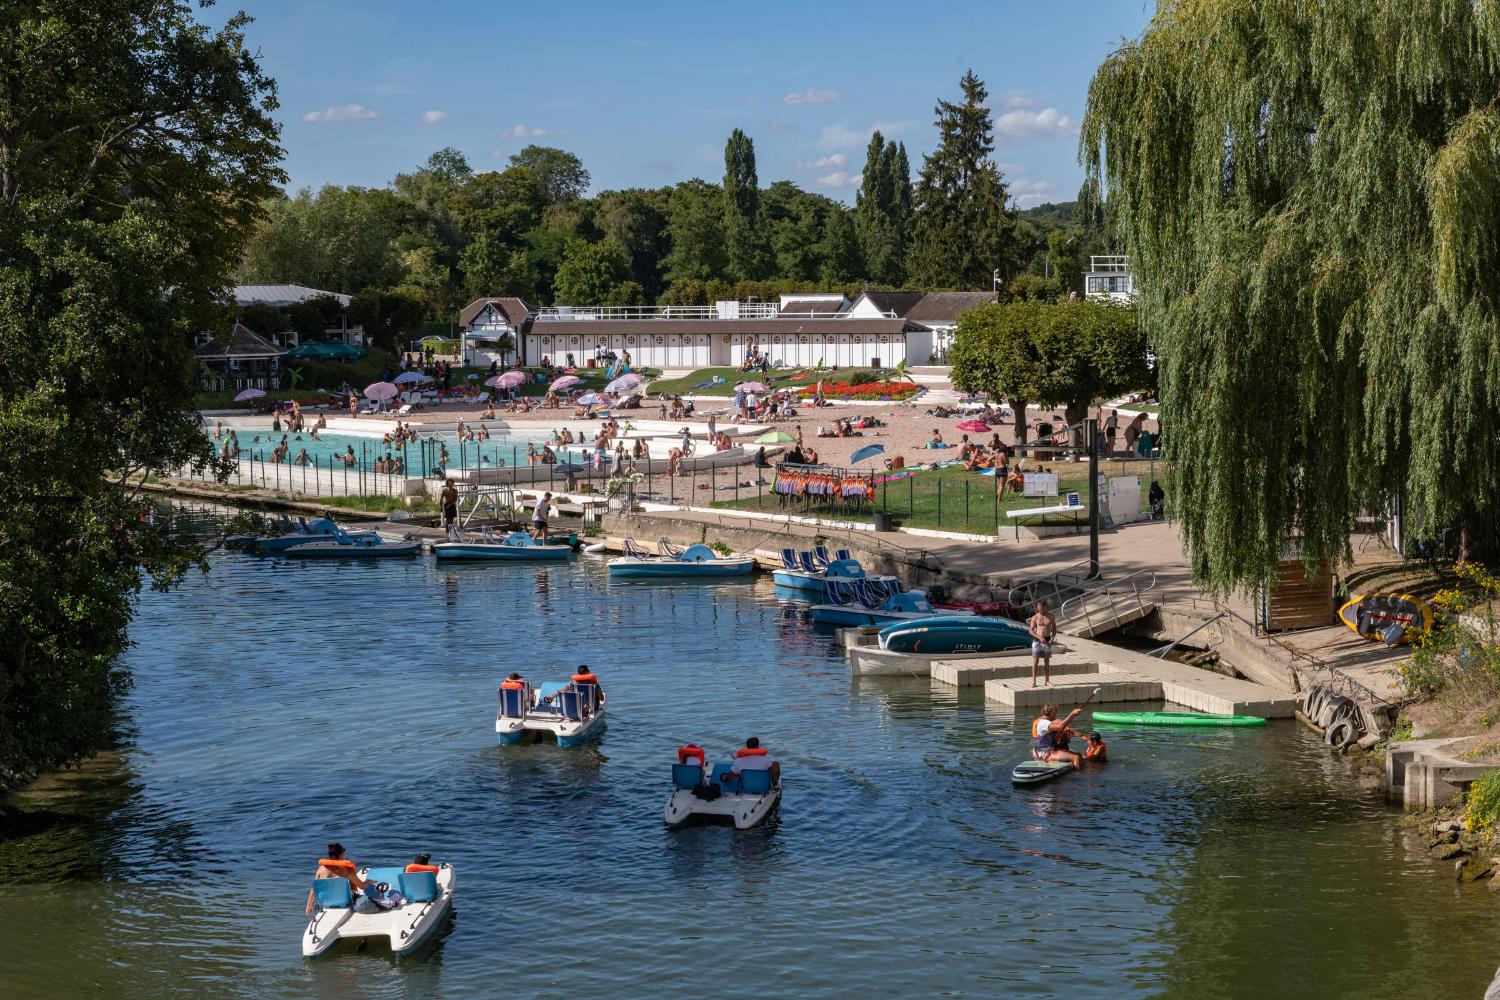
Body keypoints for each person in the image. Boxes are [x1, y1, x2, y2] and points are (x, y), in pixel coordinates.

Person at [306, 842, 370, 916]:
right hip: (344, 901)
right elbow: (362, 886)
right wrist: (368, 881)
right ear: (340, 855)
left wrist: (308, 906)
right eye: (343, 854)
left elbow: (314, 890)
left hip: (326, 902)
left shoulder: (321, 869)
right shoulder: (347, 870)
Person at [1032, 704, 1086, 770]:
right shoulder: (1043, 723)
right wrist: (1072, 714)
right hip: (1044, 753)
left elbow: (1060, 727)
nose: (1056, 716)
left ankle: (1082, 769)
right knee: (1076, 757)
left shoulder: (1047, 722)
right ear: (1053, 713)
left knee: (1079, 755)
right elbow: (1059, 726)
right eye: (1056, 714)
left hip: (1050, 750)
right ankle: (1078, 776)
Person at [1029, 600, 1058, 686]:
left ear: (1046, 607)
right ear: (1037, 607)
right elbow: (1030, 630)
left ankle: (1047, 681)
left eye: (1043, 607)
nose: (1041, 609)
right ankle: (1034, 681)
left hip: (1047, 639)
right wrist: (1039, 637)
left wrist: (1052, 639)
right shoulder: (1035, 617)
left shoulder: (1051, 616)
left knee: (1047, 661)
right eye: (1040, 607)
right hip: (1038, 640)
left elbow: (1055, 628)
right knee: (1035, 660)